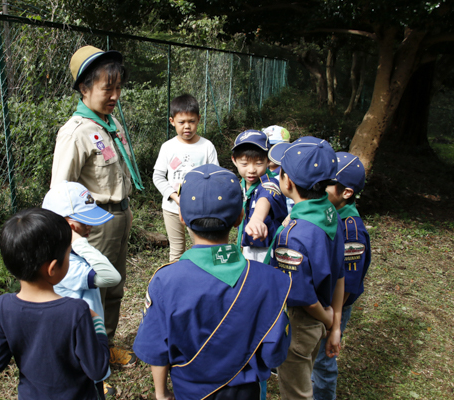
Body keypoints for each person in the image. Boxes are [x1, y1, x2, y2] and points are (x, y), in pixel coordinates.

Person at [133, 164, 292, 400]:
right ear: (240, 217)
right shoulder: (270, 279)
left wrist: (161, 393)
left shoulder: (165, 281)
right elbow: (274, 353)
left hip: (189, 391)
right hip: (246, 392)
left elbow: (157, 347)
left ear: (182, 218)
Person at [51, 45, 137, 368]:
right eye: (107, 88)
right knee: (92, 296)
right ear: (84, 88)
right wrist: (70, 236)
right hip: (93, 224)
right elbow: (59, 191)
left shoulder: (108, 124)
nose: (114, 94)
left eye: (118, 87)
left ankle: (106, 345)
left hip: (120, 217)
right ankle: (87, 359)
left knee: (114, 287)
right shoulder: (76, 133)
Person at [0, 208, 109, 399]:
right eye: (68, 255)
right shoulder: (76, 311)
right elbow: (98, 369)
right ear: (52, 268)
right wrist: (98, 324)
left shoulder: (2, 306)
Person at [268, 136, 346, 400]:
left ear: (286, 180)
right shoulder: (332, 214)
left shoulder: (292, 236)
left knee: (297, 393)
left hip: (301, 323)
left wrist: (326, 320)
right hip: (322, 317)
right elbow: (339, 274)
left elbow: (302, 296)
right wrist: (334, 324)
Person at [42, 181, 123, 395]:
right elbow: (111, 276)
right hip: (82, 340)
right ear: (68, 227)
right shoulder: (69, 266)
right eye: (84, 222)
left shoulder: (65, 257)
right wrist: (79, 242)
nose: (91, 227)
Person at [312, 152, 371, 400]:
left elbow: (346, 284)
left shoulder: (352, 231)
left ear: (346, 193)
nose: (318, 187)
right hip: (323, 301)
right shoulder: (330, 214)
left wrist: (333, 325)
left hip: (335, 307)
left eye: (326, 184)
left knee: (323, 361)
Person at [153, 94, 219, 262]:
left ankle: (204, 283)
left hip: (199, 209)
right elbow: (158, 176)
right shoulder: (168, 147)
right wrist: (175, 197)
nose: (187, 127)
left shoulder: (206, 146)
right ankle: (177, 285)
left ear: (198, 119)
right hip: (171, 209)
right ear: (172, 121)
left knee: (203, 248)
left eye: (191, 121)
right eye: (181, 122)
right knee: (176, 252)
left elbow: (215, 177)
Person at [232, 129, 288, 262]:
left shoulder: (270, 182)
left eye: (258, 163)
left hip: (269, 248)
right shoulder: (240, 185)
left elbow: (265, 198)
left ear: (268, 161)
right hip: (247, 246)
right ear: (234, 160)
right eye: (244, 164)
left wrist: (257, 219)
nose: (251, 170)